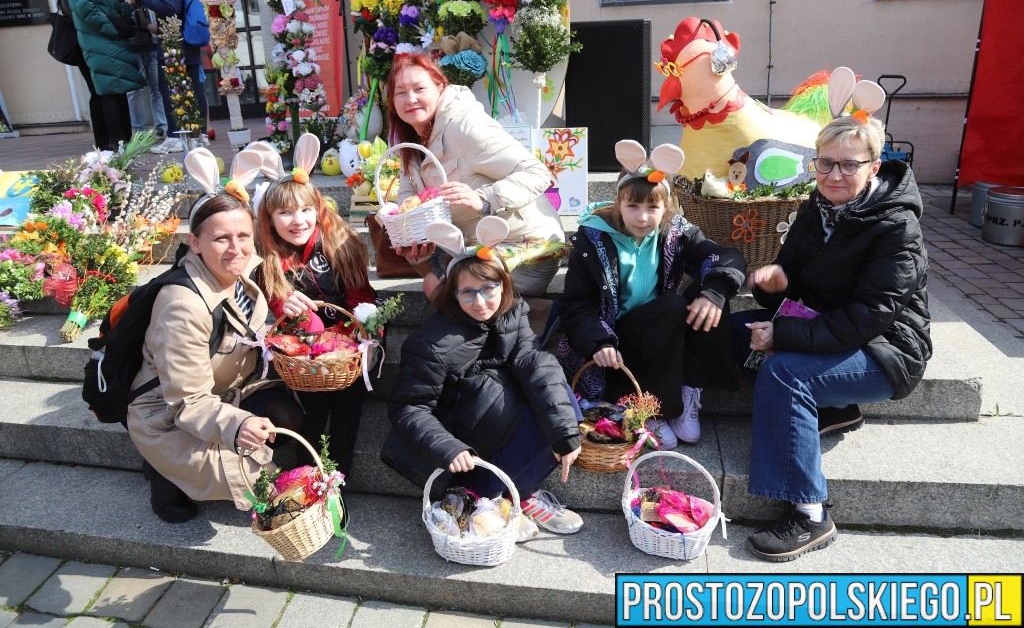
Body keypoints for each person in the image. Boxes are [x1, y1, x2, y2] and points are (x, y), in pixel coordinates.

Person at [737, 115, 931, 562]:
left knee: (785, 374)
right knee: (732, 332)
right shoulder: (816, 207)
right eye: (825, 163)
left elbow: (870, 316)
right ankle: (836, 408)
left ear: (874, 167)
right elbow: (794, 282)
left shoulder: (897, 227)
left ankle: (809, 513)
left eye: (848, 165)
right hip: (831, 331)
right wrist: (774, 282)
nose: (834, 175)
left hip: (887, 350)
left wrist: (783, 334)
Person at [127, 151, 304, 524]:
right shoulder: (182, 306)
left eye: (243, 235)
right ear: (194, 242)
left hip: (229, 387)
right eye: (221, 238)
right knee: (253, 479)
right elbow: (188, 401)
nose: (236, 248)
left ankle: (187, 464)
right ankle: (163, 473)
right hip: (169, 411)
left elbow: (264, 275)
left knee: (289, 418)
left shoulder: (242, 268)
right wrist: (238, 424)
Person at [382, 218, 583, 541]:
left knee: (561, 401)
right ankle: (487, 498)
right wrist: (448, 447)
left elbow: (532, 359)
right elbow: (408, 408)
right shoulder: (431, 343)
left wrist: (563, 430)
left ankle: (517, 493)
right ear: (453, 292)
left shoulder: (512, 310)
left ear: (503, 284)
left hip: (494, 415)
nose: (480, 302)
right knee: (501, 394)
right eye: (467, 292)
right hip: (462, 441)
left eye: (489, 288)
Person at [556, 141, 746, 448]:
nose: (643, 217)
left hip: (662, 333)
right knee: (672, 305)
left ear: (665, 208)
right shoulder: (593, 242)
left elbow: (724, 257)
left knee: (712, 292)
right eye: (633, 206)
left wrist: (716, 291)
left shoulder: (674, 232)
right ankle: (654, 411)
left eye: (652, 208)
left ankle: (688, 388)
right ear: (619, 204)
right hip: (617, 343)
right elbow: (577, 306)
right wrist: (598, 342)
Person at [385, 53, 565, 300]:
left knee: (440, 288)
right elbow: (409, 198)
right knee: (432, 281)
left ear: (440, 87)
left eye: (419, 89)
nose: (411, 99)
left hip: (524, 246)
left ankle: (524, 326)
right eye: (401, 92)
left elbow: (537, 172)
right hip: (474, 245)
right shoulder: (411, 144)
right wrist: (414, 239)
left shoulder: (466, 127)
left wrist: (484, 199)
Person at [252, 134, 377, 476]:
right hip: (303, 359)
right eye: (285, 213)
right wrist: (284, 309)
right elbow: (272, 310)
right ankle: (307, 478)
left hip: (347, 350)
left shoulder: (340, 244)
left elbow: (360, 296)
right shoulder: (270, 260)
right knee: (312, 412)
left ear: (318, 209)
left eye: (306, 209)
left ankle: (337, 480)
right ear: (270, 218)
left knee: (348, 409)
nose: (298, 220)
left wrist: (358, 335)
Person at [127, 0, 209, 153]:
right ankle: (199, 135)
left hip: (174, 40)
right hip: (188, 35)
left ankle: (174, 137)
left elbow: (170, 8)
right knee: (194, 88)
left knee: (169, 88)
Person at [63, 0, 144, 151]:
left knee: (115, 90)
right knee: (109, 91)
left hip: (102, 40)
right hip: (99, 40)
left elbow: (105, 5)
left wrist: (128, 5)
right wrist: (113, 28)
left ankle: (121, 147)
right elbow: (85, 7)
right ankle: (115, 148)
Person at [107, 0, 171, 145]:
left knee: (158, 88)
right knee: (134, 91)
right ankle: (141, 132)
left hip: (150, 41)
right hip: (127, 44)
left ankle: (163, 127)